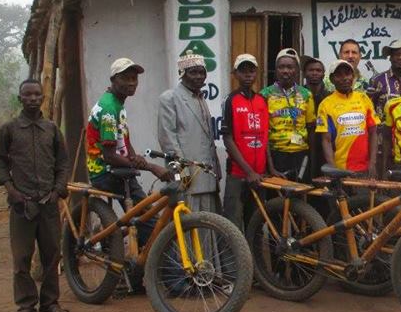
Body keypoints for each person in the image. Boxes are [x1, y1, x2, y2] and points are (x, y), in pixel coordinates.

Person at [0, 79, 70, 312]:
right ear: (20, 98)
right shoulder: (8, 130)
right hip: (21, 204)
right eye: (27, 95)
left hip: (48, 203)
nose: (32, 98)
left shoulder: (51, 129)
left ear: (43, 97)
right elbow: (1, 162)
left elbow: (62, 163)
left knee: (52, 255)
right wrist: (10, 189)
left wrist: (58, 190)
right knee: (21, 258)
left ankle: (50, 303)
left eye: (37, 94)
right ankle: (26, 306)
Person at [87, 58, 173, 246]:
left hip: (115, 168)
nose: (132, 83)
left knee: (144, 215)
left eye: (134, 78)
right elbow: (109, 156)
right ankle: (145, 268)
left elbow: (122, 141)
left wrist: (136, 158)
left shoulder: (118, 103)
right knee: (148, 220)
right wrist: (151, 167)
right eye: (126, 78)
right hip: (105, 171)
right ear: (114, 79)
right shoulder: (109, 108)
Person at [157, 53, 222, 213]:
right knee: (189, 226)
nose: (199, 76)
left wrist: (216, 167)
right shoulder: (170, 98)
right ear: (182, 74)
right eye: (193, 72)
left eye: (202, 72)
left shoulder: (200, 98)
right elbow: (168, 139)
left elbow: (208, 139)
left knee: (209, 226)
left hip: (207, 174)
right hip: (187, 177)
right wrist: (182, 169)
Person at [222, 54, 272, 232]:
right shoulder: (231, 100)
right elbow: (227, 139)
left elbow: (265, 138)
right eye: (243, 71)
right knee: (232, 227)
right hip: (238, 175)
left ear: (257, 73)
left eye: (251, 70)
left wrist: (270, 170)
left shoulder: (262, 101)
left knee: (256, 226)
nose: (248, 74)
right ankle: (233, 261)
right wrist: (248, 171)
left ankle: (255, 260)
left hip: (259, 176)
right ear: (235, 74)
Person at [316, 60, 379, 175]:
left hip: (364, 169)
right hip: (341, 171)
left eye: (348, 74)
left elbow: (373, 132)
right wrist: (333, 170)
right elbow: (326, 140)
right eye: (339, 75)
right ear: (331, 79)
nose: (345, 78)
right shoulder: (325, 105)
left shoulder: (364, 99)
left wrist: (372, 163)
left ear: (353, 76)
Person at [261, 48, 316, 181]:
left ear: (297, 70)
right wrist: (269, 164)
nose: (285, 71)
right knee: (277, 198)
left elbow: (311, 128)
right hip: (276, 154)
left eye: (290, 67)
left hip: (300, 153)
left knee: (301, 195)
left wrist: (310, 156)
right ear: (276, 70)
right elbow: (262, 131)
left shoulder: (306, 95)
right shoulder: (265, 95)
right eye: (281, 67)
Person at [367, 40, 401, 118]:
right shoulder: (376, 80)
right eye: (396, 54)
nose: (400, 58)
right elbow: (368, 109)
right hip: (382, 129)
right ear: (390, 58)